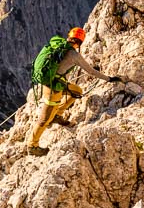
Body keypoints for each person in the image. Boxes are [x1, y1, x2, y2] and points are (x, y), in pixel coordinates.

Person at [26, 27, 124, 156]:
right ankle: (32, 145)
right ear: (80, 42)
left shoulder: (57, 43)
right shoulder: (74, 55)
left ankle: (58, 115)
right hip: (54, 88)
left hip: (52, 81)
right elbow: (91, 71)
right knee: (44, 119)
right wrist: (109, 79)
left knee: (77, 91)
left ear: (69, 36)